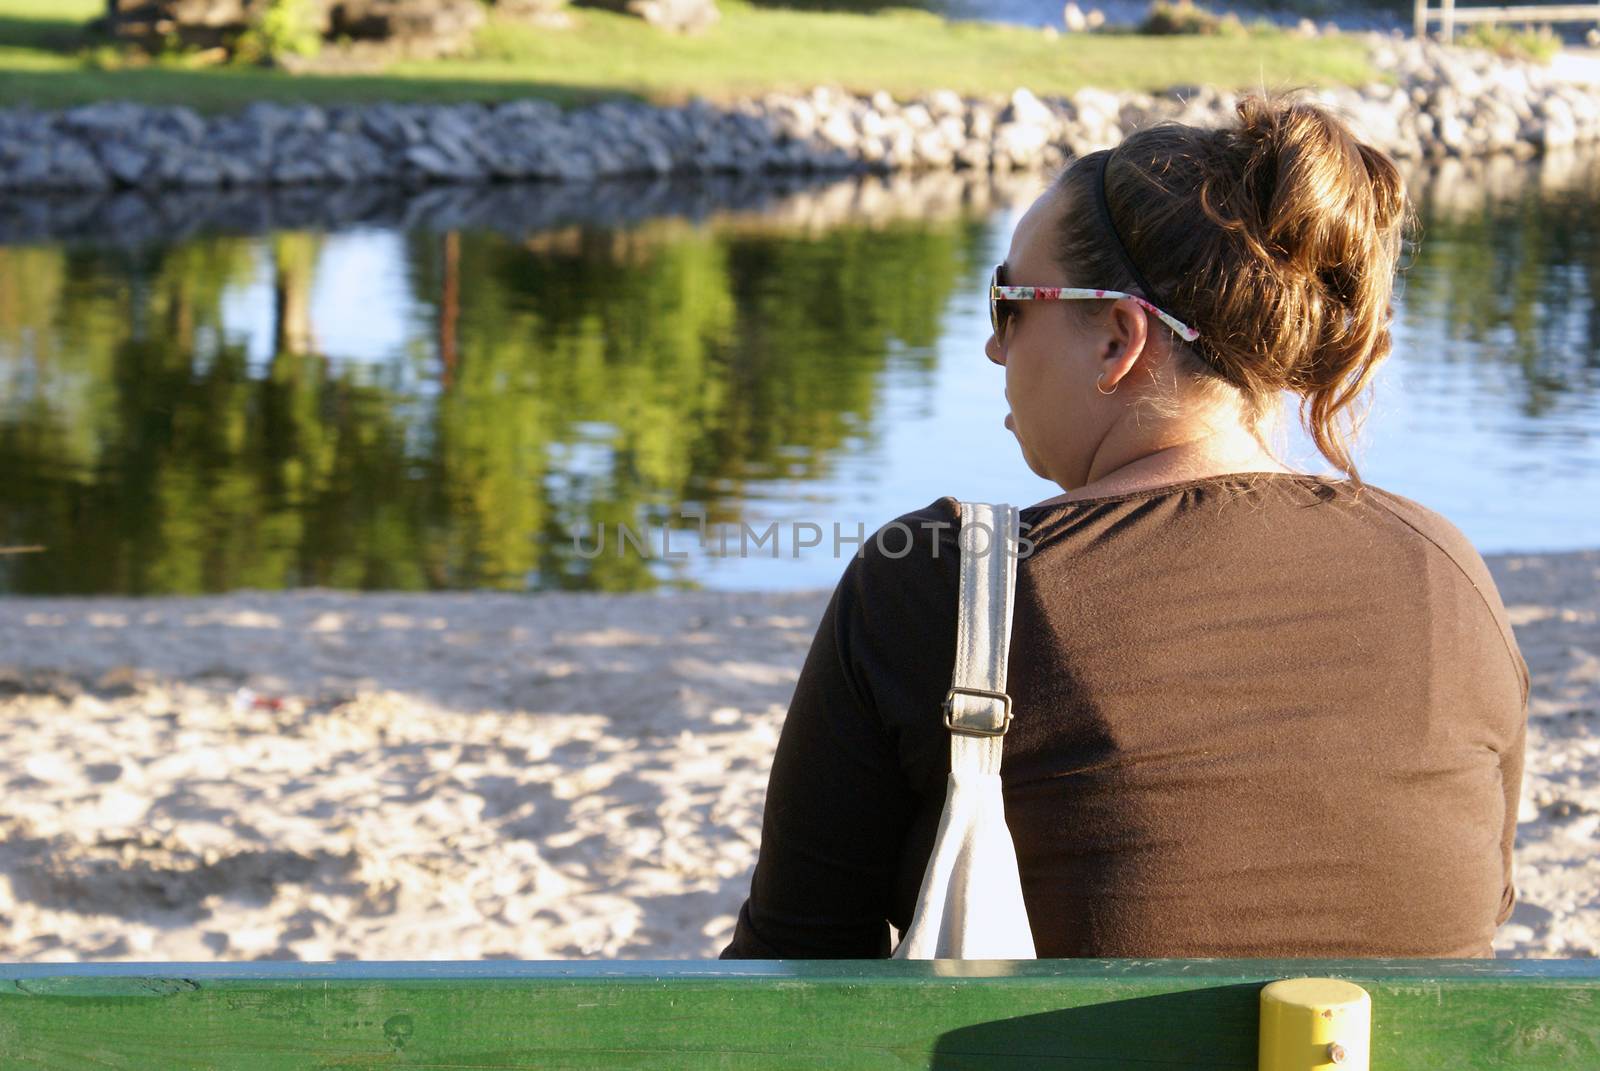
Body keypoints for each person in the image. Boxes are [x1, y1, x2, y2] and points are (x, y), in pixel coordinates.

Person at [720, 96, 1529, 959]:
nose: (994, 349)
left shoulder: (937, 588)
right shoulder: (1446, 572)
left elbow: (790, 971)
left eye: (1009, 304)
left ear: (1116, 337)